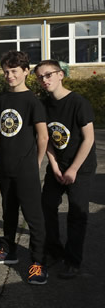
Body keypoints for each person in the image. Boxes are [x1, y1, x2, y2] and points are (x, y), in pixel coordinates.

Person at [0, 51, 48, 285]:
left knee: (33, 217)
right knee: (9, 212)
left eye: (14, 71)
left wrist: (36, 162)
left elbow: (43, 137)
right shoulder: (1, 100)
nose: (9, 76)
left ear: (26, 72)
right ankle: (8, 251)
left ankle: (38, 262)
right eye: (6, 71)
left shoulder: (32, 101)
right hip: (5, 166)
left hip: (26, 168)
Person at [34, 60, 96, 279]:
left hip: (81, 168)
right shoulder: (43, 105)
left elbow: (88, 139)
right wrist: (54, 166)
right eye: (40, 77)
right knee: (46, 207)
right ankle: (55, 251)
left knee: (77, 215)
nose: (45, 80)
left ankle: (73, 260)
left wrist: (73, 170)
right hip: (57, 167)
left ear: (61, 75)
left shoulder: (78, 103)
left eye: (48, 75)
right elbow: (47, 139)